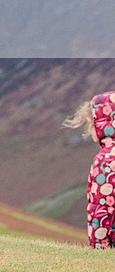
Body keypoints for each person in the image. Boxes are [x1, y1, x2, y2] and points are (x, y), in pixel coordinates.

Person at [64, 92, 115, 249]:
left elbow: (103, 207)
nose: (88, 128)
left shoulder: (107, 160)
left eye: (90, 122)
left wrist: (99, 247)